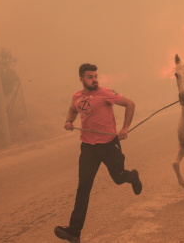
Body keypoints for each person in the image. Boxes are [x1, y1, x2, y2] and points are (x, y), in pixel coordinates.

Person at [54, 63, 142, 243]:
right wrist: (69, 121)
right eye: (90, 77)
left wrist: (125, 128)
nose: (94, 80)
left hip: (109, 144)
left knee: (118, 178)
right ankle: (74, 231)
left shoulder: (106, 93)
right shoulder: (76, 97)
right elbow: (72, 110)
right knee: (83, 187)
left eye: (95, 76)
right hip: (88, 147)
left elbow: (130, 104)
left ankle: (132, 176)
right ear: (81, 79)